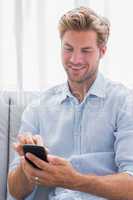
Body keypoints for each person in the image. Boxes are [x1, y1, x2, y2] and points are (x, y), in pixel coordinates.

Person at [8, 6, 133, 200]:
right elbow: (15, 191)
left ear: (102, 51)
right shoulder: (38, 107)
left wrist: (73, 179)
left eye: (86, 50)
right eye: (68, 49)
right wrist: (28, 166)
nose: (75, 59)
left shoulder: (123, 102)